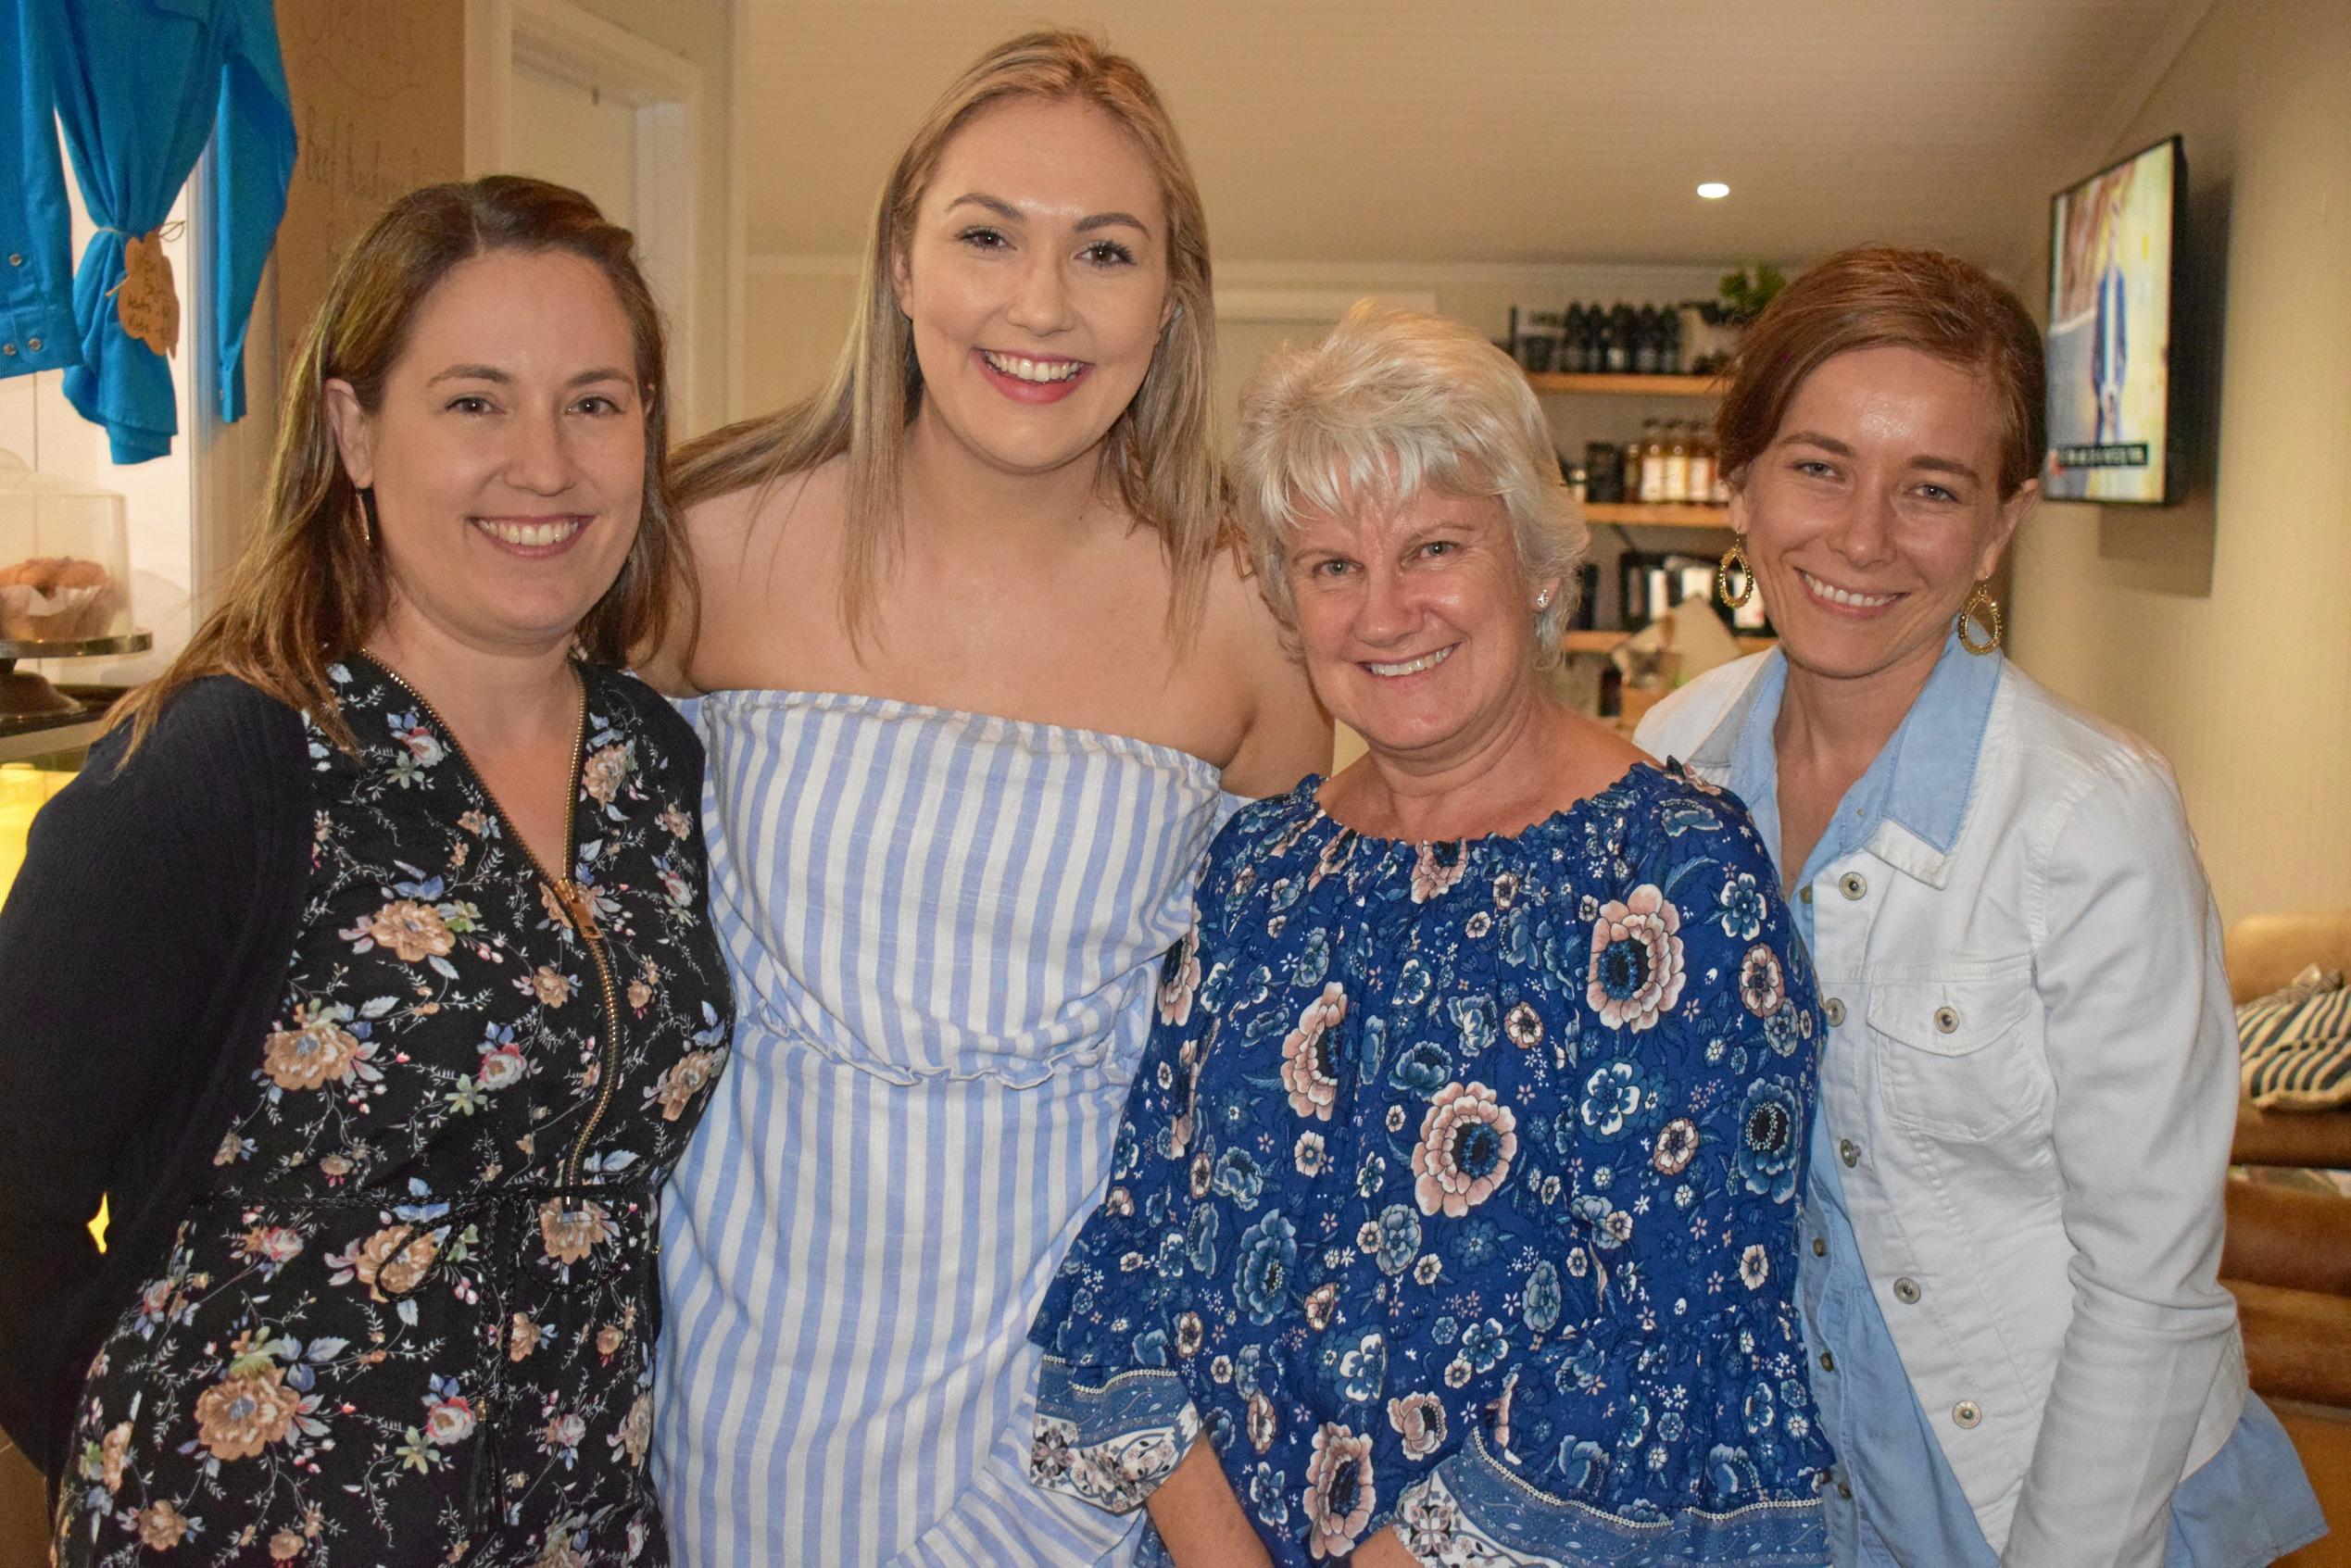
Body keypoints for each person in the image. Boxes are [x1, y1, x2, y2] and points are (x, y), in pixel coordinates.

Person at [646, 30, 1327, 1567]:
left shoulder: (1244, 618)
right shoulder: (709, 544)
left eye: (1103, 250)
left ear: (1171, 297)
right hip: (744, 1360)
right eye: (984, 235)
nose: (1040, 306)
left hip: (1077, 1396)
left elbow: (1249, 1078)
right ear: (900, 262)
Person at [1026, 302, 1835, 1568]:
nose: (1384, 609)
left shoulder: (1671, 876)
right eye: (1331, 565)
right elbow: (1141, 1244)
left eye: (1434, 546)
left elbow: (1666, 1329)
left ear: (1534, 564)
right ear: (1288, 605)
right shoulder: (1257, 870)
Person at [0, 176, 733, 1566]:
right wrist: (120, 1422)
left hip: (578, 1529)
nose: (546, 463)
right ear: (353, 430)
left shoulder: (655, 765)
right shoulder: (224, 765)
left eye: (596, 400)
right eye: (474, 401)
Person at [1636, 245, 2327, 1567]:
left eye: (1931, 488)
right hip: (1768, 1485)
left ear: (2002, 522)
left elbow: (2148, 1286)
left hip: (2027, 1495)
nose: (1858, 536)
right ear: (1737, 481)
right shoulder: (1676, 757)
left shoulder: (2088, 816)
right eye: (1818, 464)